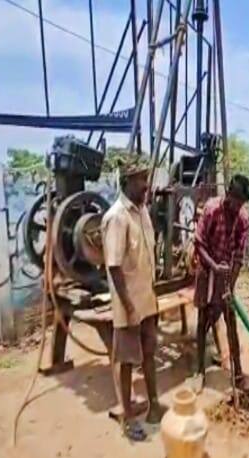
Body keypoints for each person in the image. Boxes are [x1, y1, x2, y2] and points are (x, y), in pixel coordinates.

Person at [101, 165, 166, 442]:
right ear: (126, 182)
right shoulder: (117, 217)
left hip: (147, 299)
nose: (146, 185)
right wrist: (127, 305)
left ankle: (154, 405)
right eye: (141, 180)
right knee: (126, 361)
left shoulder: (142, 212)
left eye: (146, 180)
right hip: (129, 304)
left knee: (149, 352)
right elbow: (114, 266)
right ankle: (128, 420)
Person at [194, 174, 249, 391]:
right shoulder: (211, 210)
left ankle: (238, 373)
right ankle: (199, 371)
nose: (238, 207)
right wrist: (213, 267)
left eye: (242, 204)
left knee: (231, 322)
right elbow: (198, 244)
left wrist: (229, 287)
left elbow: (238, 257)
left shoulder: (243, 219)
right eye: (236, 202)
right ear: (228, 195)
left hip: (227, 273)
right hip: (206, 267)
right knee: (203, 322)